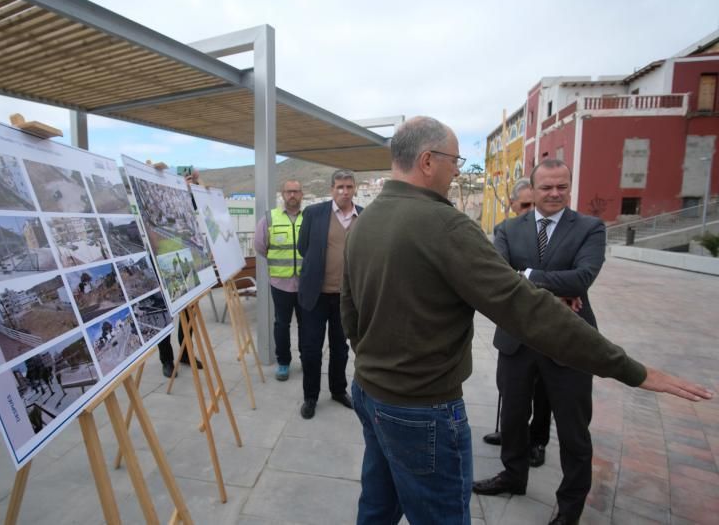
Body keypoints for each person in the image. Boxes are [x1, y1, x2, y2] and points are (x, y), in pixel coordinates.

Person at [340, 116, 712, 525]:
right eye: (454, 160)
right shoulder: (444, 225)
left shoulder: (365, 220)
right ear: (427, 161)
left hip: (369, 391)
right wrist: (629, 369)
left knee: (377, 507)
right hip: (421, 407)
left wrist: (376, 366)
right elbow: (527, 308)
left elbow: (350, 310)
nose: (458, 169)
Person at [473, 159, 608, 523]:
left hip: (569, 343)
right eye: (546, 187)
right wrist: (553, 286)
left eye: (561, 186)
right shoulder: (507, 229)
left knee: (573, 430)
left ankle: (569, 508)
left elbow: (582, 278)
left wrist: (528, 275)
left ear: (569, 185)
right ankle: (513, 476)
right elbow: (498, 278)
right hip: (517, 340)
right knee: (514, 417)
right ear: (532, 188)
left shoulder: (590, 228)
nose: (554, 193)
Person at [482, 177, 554, 470]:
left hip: (549, 325)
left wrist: (524, 274)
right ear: (512, 205)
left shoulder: (551, 233)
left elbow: (563, 273)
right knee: (509, 387)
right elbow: (500, 272)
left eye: (533, 205)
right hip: (514, 325)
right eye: (524, 205)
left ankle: (537, 442)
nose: (529, 211)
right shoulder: (505, 232)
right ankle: (510, 433)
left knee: (543, 392)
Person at [297, 169, 362, 419]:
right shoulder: (314, 213)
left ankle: (338, 390)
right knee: (311, 348)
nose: (344, 191)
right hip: (316, 295)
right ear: (331, 189)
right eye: (339, 187)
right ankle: (310, 397)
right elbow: (304, 247)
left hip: (347, 298)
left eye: (348, 187)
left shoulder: (363, 216)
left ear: (355, 188)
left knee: (341, 347)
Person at [254, 179, 304, 381]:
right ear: (282, 194)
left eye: (296, 191)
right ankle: (283, 362)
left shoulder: (309, 217)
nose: (292, 195)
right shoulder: (269, 218)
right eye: (288, 191)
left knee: (307, 325)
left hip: (305, 284)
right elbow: (260, 246)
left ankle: (306, 358)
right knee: (282, 325)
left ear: (302, 194)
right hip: (280, 284)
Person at [158, 167, 202, 377]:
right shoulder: (157, 200)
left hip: (185, 262)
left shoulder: (181, 199)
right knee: (165, 317)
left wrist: (191, 188)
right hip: (163, 264)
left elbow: (194, 209)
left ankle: (185, 353)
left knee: (188, 314)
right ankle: (166, 360)